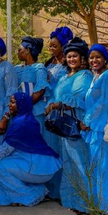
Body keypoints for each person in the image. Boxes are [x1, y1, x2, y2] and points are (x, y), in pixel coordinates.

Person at [0, 92, 61, 206]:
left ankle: (30, 195)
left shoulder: (22, 123)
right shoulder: (26, 119)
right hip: (40, 165)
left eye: (13, 102)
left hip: (40, 167)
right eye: (10, 102)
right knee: (1, 164)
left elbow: (5, 150)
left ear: (21, 104)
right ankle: (22, 195)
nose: (9, 105)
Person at [45, 37, 94, 214]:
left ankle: (84, 203)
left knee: (80, 163)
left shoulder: (85, 75)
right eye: (69, 56)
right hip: (64, 126)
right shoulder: (65, 77)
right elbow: (56, 95)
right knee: (69, 162)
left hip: (76, 123)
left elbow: (78, 98)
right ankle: (71, 200)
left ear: (82, 58)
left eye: (75, 56)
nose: (72, 59)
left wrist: (57, 104)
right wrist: (51, 103)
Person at [81, 44, 108, 215]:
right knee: (98, 169)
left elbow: (103, 102)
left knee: (106, 169)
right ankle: (102, 207)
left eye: (98, 57)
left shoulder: (106, 76)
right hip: (94, 130)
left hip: (100, 129)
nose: (94, 60)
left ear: (105, 59)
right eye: (91, 57)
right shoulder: (94, 77)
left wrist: (86, 121)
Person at [42, 26, 73, 199]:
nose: (52, 49)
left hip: (61, 109)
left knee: (63, 149)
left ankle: (64, 190)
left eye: (55, 46)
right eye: (50, 46)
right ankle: (52, 188)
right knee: (50, 148)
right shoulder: (48, 64)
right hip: (48, 110)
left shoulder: (67, 65)